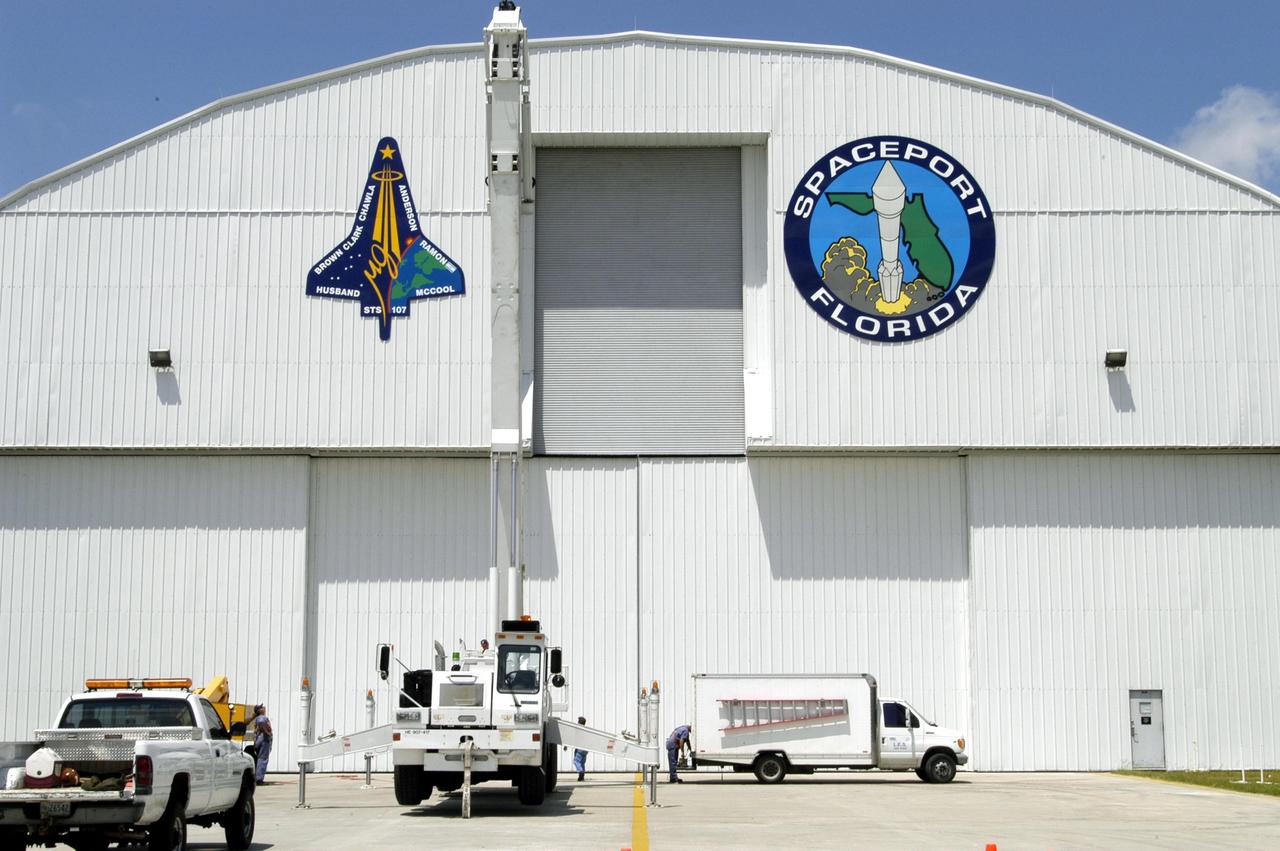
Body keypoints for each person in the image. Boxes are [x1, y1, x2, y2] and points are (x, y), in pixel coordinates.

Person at [251, 704, 273, 785]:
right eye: (261, 707)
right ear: (259, 710)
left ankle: (258, 778)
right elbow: (261, 723)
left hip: (260, 740)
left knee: (260, 759)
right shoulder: (262, 717)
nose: (263, 708)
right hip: (264, 740)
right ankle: (259, 779)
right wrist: (268, 733)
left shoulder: (258, 717)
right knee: (263, 759)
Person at [573, 716, 589, 782]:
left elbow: (573, 738)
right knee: (582, 762)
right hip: (585, 749)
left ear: (579, 722)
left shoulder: (578, 730)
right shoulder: (587, 730)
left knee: (576, 761)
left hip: (579, 749)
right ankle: (581, 777)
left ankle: (581, 772)